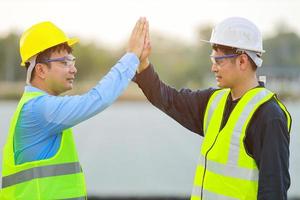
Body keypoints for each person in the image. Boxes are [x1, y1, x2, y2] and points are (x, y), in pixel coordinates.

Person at [134, 17, 292, 200]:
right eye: (213, 59)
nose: (213, 68)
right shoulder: (213, 101)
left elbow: (274, 191)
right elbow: (169, 99)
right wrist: (143, 64)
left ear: (242, 61)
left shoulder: (268, 115)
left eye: (219, 61)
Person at [1, 17, 149, 199]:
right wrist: (131, 57)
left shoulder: (37, 106)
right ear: (40, 70)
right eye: (64, 62)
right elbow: (96, 99)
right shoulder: (39, 109)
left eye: (72, 61)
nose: (73, 69)